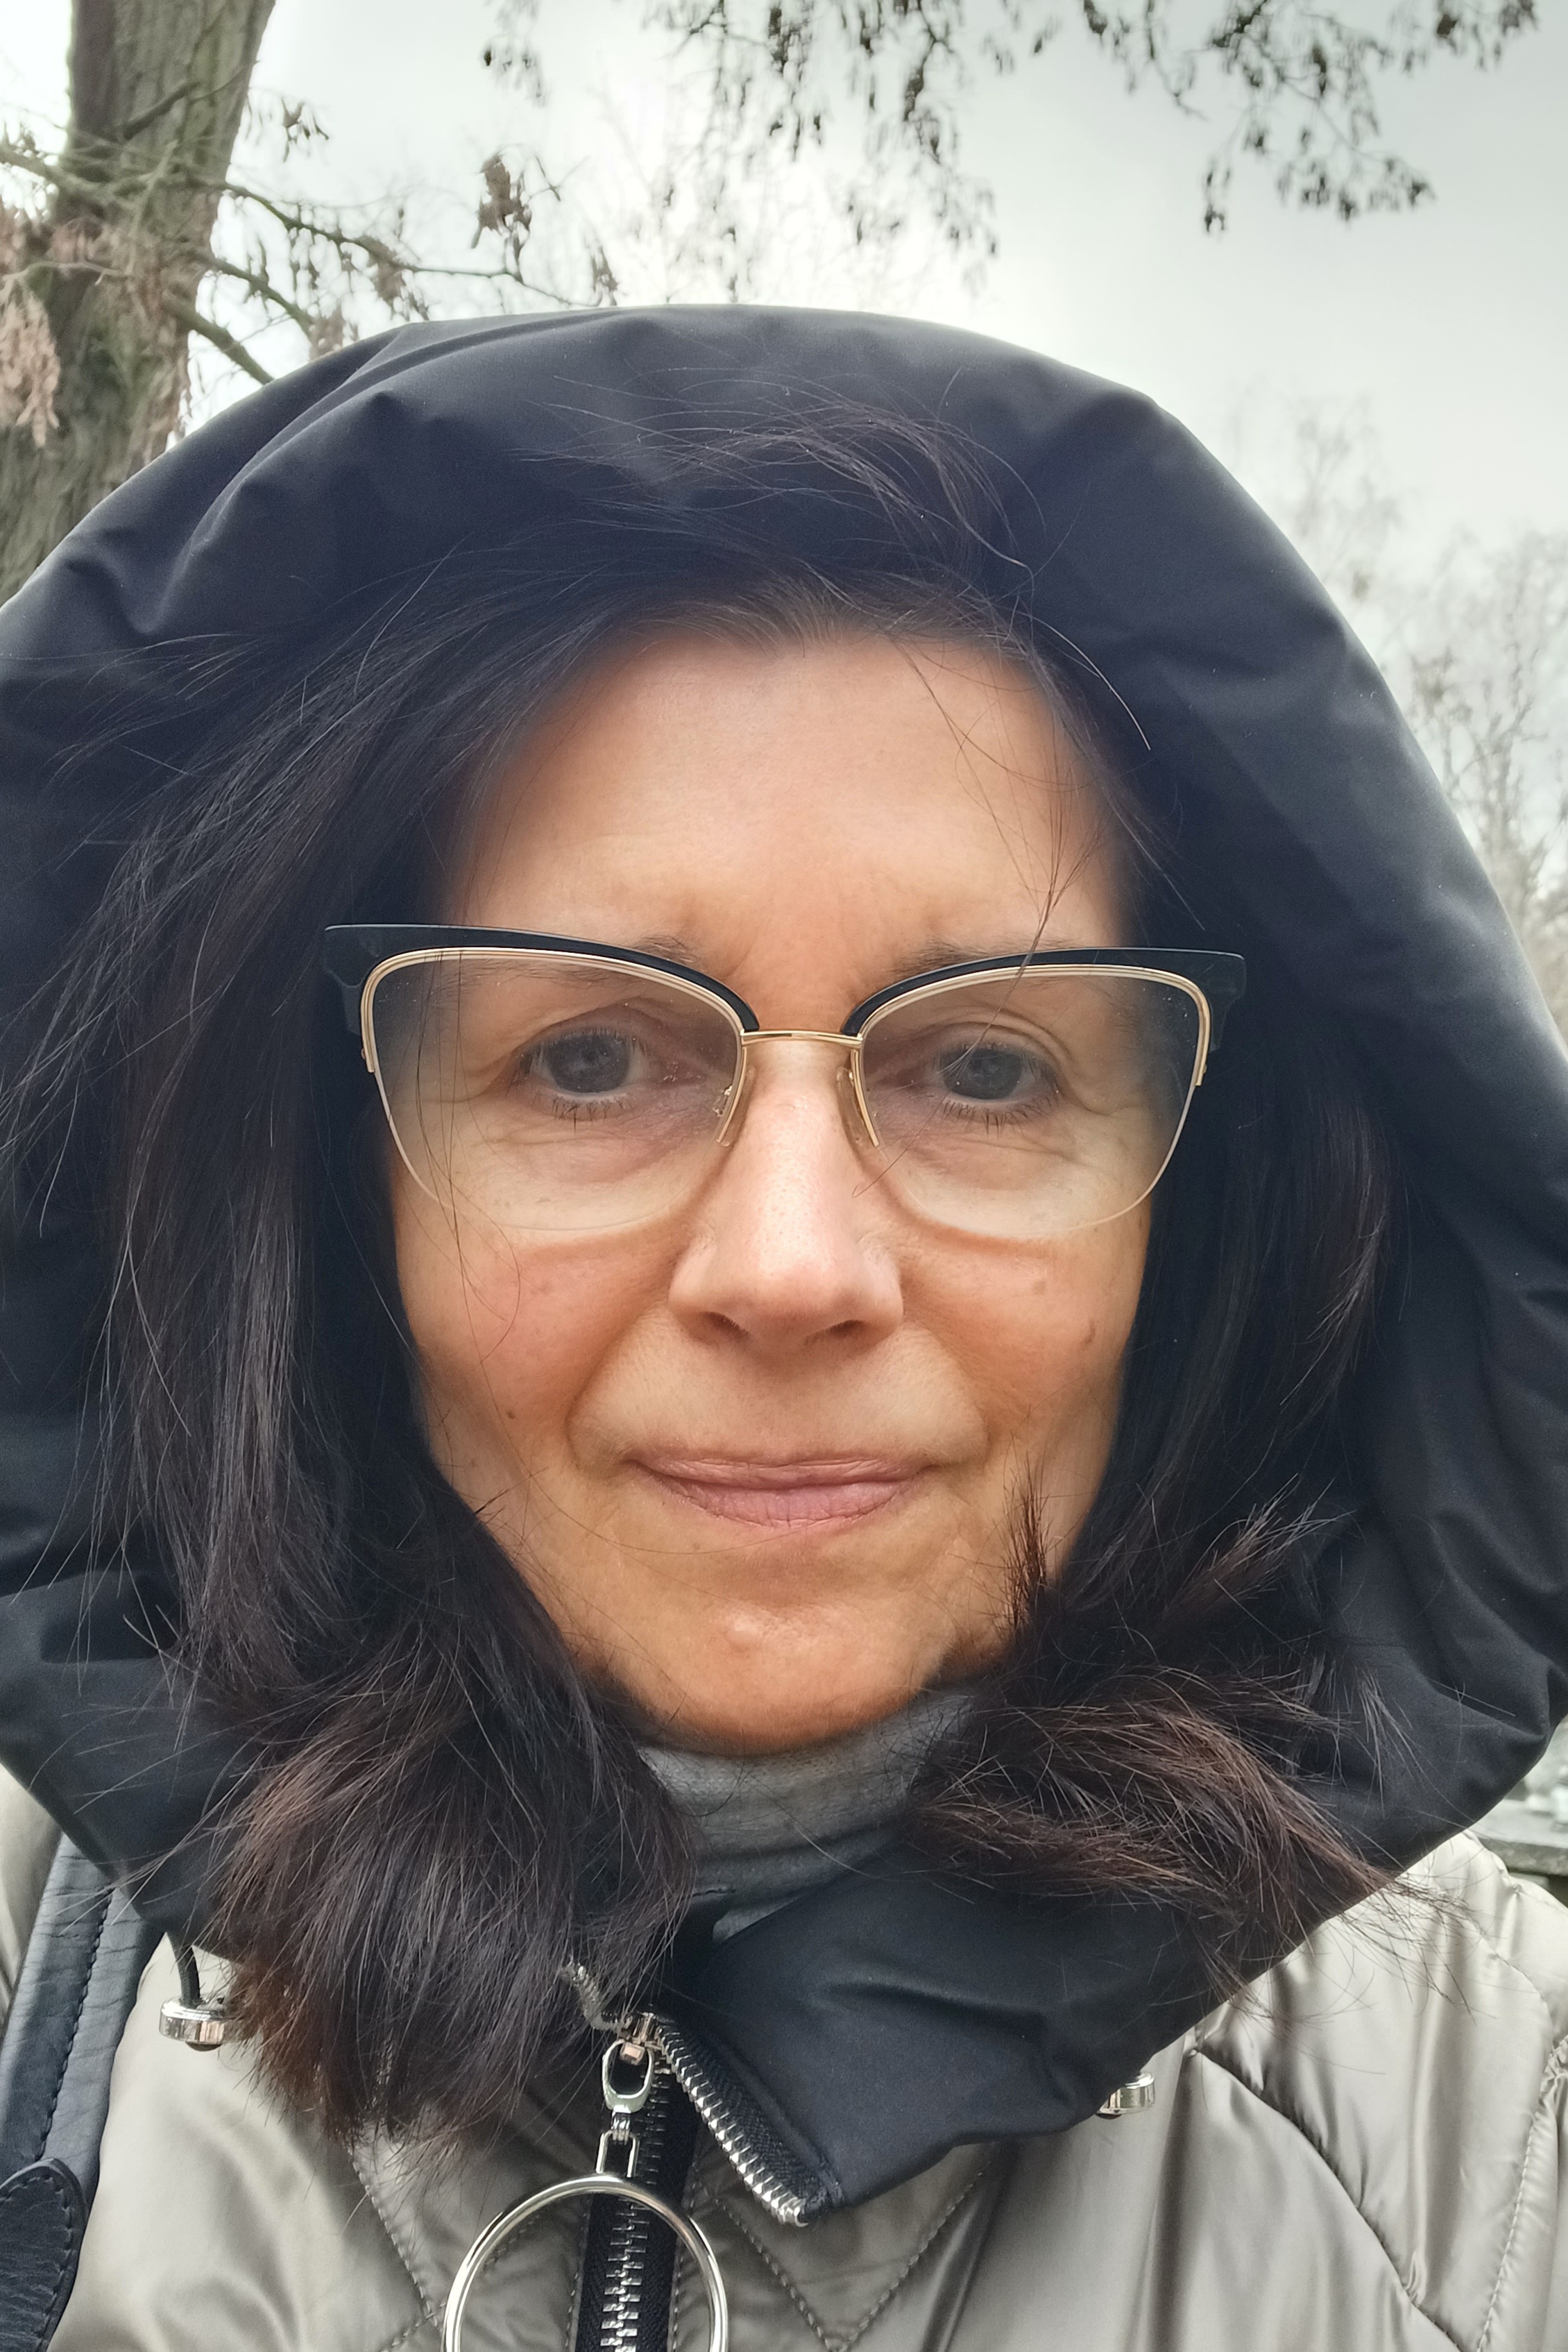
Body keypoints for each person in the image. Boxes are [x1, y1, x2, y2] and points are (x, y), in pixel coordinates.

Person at [2, 310, 1568, 2352]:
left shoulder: (1497, 2133)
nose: (794, 1265)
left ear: (1201, 1208)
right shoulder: (31, 1961)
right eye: (585, 1058)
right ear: (330, 1170)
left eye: (987, 1069)